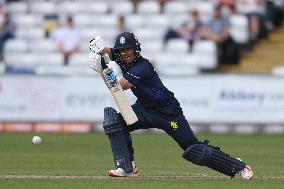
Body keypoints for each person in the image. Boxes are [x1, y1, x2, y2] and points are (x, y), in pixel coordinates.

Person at [88, 32, 253, 179]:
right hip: (145, 109)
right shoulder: (122, 55)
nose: (125, 53)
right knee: (115, 123)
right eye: (122, 50)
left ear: (135, 49)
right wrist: (99, 49)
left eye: (128, 49)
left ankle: (238, 166)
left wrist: (102, 68)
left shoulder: (142, 66)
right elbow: (111, 52)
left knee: (193, 150)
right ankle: (126, 167)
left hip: (168, 112)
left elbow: (118, 88)